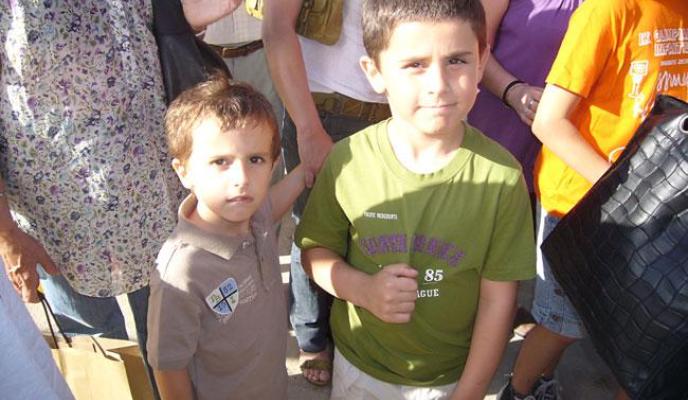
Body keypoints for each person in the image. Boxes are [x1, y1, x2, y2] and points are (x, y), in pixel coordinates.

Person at [295, 0, 536, 398]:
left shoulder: (503, 178)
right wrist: (361, 289)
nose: (438, 84)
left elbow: (499, 299)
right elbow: (314, 251)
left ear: (481, 61)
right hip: (358, 368)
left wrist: (470, 391)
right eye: (415, 64)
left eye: (456, 60)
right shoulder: (346, 160)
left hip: (448, 379)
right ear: (374, 72)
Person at [498, 0, 688, 399]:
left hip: (658, 205)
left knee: (645, 334)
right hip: (580, 203)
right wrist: (622, 190)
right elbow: (550, 121)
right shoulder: (608, 11)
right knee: (563, 323)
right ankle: (520, 389)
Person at [146, 76, 306, 400]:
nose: (242, 179)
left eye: (255, 160)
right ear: (183, 171)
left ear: (273, 164)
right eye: (221, 162)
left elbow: (274, 202)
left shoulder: (255, 215)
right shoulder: (181, 272)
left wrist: (309, 169)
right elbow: (168, 365)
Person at [263, 0, 391, 386]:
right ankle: (313, 335)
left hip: (395, 110)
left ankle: (359, 329)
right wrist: (307, 128)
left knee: (379, 230)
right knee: (314, 230)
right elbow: (276, 26)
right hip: (324, 110)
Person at [469, 0, 582, 338]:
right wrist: (513, 91)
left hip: (565, 142)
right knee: (476, 235)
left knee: (518, 240)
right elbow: (472, 45)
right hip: (500, 124)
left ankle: (499, 310)